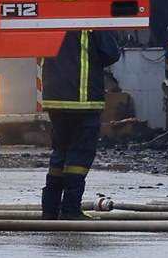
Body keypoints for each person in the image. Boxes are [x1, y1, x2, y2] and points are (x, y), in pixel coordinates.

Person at [39, 28, 122, 220]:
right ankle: (70, 209)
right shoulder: (91, 20)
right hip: (83, 99)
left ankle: (50, 209)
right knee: (80, 155)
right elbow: (111, 53)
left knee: (61, 152)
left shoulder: (50, 17)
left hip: (54, 99)